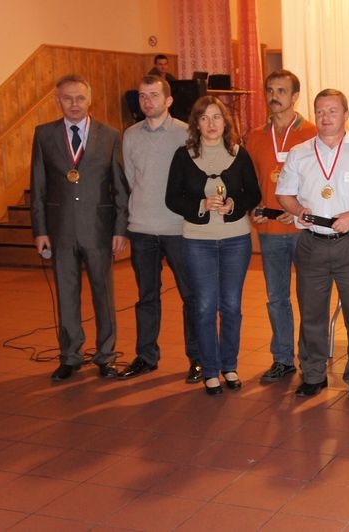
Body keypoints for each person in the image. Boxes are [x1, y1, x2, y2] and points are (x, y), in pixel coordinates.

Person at [275, 89, 349, 399]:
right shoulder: (300, 152)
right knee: (312, 314)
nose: (325, 117)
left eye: (332, 111)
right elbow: (283, 193)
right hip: (312, 243)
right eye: (320, 111)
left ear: (346, 114)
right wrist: (298, 209)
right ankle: (313, 374)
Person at [30, 75, 129, 382]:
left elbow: (120, 187)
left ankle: (106, 355)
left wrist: (120, 229)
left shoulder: (110, 135)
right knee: (66, 294)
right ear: (57, 100)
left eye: (80, 98)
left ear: (90, 100)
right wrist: (40, 230)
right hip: (60, 229)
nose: (74, 104)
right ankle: (70, 356)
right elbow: (38, 185)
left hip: (99, 229)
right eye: (67, 98)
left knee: (104, 294)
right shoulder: (44, 135)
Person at [165, 96, 261, 395]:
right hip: (198, 241)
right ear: (196, 124)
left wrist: (233, 204)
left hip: (236, 240)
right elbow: (172, 198)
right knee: (205, 306)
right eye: (204, 118)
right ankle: (209, 370)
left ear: (225, 122)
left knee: (231, 305)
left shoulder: (239, 154)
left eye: (216, 117)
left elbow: (253, 193)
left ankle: (229, 365)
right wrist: (201, 205)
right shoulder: (183, 156)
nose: (211, 124)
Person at [118, 75, 202, 383]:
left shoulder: (186, 133)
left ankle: (198, 357)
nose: (147, 101)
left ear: (168, 100)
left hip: (178, 229)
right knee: (146, 297)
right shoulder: (130, 135)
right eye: (142, 96)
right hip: (142, 228)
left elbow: (195, 180)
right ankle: (146, 356)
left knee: (191, 296)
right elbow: (131, 179)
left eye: (153, 95)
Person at [244, 70, 317, 383]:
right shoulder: (255, 136)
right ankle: (283, 359)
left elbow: (322, 181)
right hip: (270, 231)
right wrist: (252, 208)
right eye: (270, 90)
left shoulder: (312, 133)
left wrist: (298, 209)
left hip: (304, 230)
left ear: (295, 96)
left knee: (310, 298)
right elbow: (247, 181)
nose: (274, 96)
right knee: (276, 298)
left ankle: (312, 360)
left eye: (282, 91)